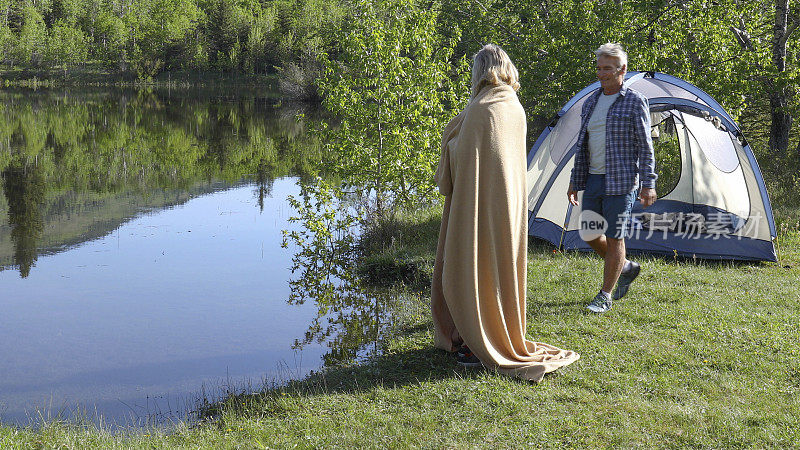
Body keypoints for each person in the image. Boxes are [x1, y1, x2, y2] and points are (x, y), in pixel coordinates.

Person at [431, 44, 579, 381]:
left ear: (480, 70)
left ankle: (475, 341)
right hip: (508, 208)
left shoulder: (482, 109)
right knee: (498, 270)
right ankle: (495, 331)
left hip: (476, 205)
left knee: (468, 269)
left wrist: (450, 138)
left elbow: (463, 160)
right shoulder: (514, 106)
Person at [567, 43, 657, 314]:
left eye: (607, 68)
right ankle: (626, 267)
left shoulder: (634, 101)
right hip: (593, 179)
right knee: (590, 233)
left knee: (615, 236)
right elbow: (583, 144)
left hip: (622, 181)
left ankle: (605, 295)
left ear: (622, 70)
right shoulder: (591, 101)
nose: (602, 73)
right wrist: (574, 181)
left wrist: (648, 183)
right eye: (599, 68)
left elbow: (645, 145)